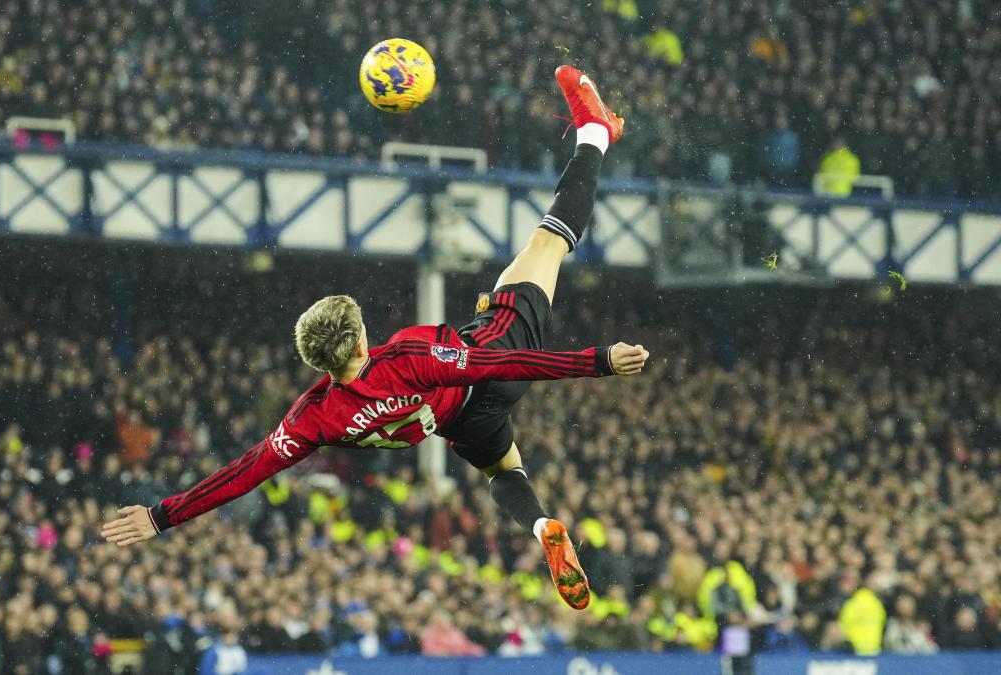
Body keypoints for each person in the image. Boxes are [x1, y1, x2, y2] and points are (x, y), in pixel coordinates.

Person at [101, 65, 650, 610]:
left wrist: (161, 516)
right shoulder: (407, 356)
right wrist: (598, 360)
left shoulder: (313, 417)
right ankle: (594, 133)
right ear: (362, 342)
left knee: (503, 469)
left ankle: (540, 525)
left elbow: (242, 474)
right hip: (490, 361)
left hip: (459, 424)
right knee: (547, 244)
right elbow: (492, 367)